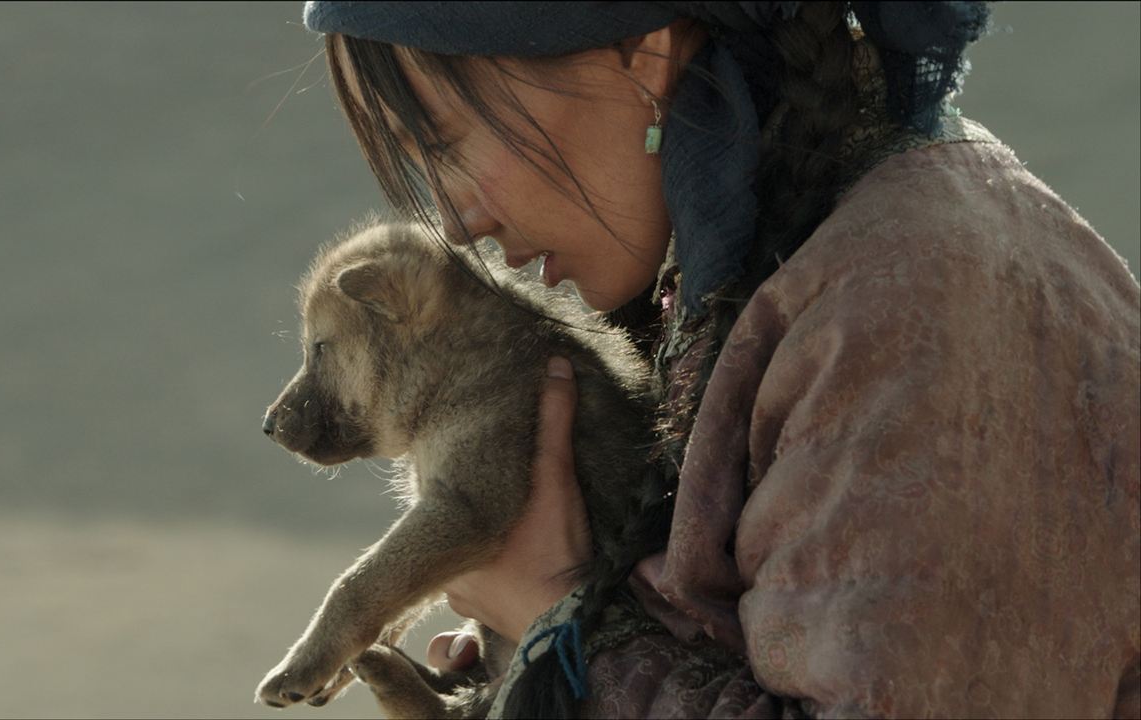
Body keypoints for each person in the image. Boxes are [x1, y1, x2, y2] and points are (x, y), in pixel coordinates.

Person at [301, 2, 1141, 717]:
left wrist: (560, 624)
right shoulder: (776, 253)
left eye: (445, 142)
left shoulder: (913, 307)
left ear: (644, 48)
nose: (452, 223)